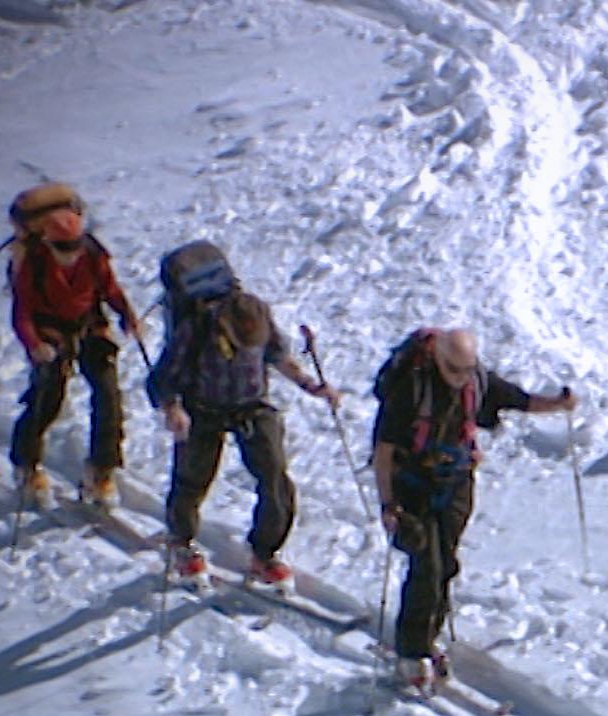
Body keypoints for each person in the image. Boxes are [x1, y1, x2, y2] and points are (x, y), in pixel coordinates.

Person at [371, 327, 575, 686]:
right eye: (454, 369)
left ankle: (426, 638)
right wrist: (388, 504)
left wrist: (558, 404)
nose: (459, 377)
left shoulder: (475, 379)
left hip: (456, 482)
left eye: (465, 369)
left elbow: (519, 400)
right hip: (412, 484)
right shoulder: (411, 387)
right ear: (438, 358)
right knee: (427, 567)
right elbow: (383, 451)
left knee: (446, 564)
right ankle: (411, 652)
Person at [146, 256, 340, 586]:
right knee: (192, 479)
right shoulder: (196, 327)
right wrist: (173, 410)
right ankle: (181, 542)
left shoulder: (259, 315)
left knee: (275, 479)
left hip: (251, 407)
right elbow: (164, 377)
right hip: (203, 408)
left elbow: (279, 357)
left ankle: (264, 553)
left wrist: (311, 386)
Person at [6, 196, 143, 505]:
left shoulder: (93, 255)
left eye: (74, 246)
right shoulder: (33, 264)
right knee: (47, 399)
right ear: (47, 242)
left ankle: (101, 470)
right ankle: (26, 465)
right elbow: (22, 312)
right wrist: (35, 345)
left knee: (108, 396)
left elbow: (110, 290)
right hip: (51, 334)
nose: (70, 254)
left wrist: (127, 315)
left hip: (89, 326)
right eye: (62, 248)